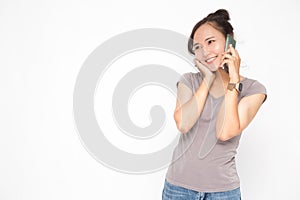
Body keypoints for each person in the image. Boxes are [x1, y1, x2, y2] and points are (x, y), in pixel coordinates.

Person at [162, 9, 267, 200]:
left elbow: (224, 132)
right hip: (178, 189)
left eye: (211, 42)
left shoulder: (253, 89)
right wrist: (208, 79)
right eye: (198, 47)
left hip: (223, 192)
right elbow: (183, 123)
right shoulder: (189, 81)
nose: (205, 52)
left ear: (229, 41)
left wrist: (233, 78)